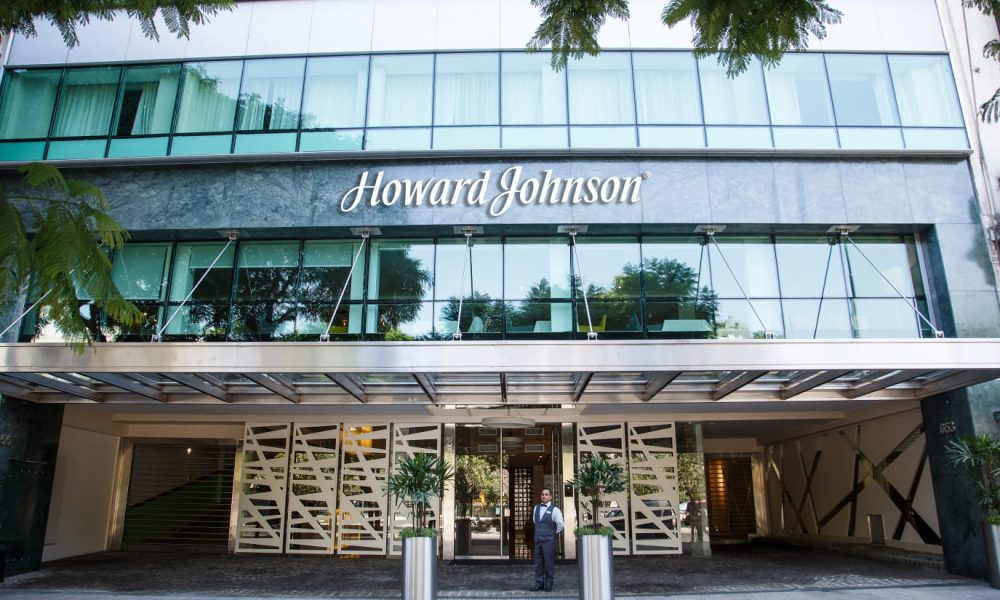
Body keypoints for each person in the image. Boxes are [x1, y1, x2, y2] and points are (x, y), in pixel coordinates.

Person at [530, 486, 564, 592]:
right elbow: (536, 522)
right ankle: (539, 583)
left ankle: (549, 583)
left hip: (549, 541)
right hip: (538, 541)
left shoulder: (555, 510)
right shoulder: (536, 508)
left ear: (550, 497)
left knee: (549, 563)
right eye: (542, 494)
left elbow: (560, 525)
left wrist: (552, 533)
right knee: (538, 563)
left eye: (546, 494)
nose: (544, 496)